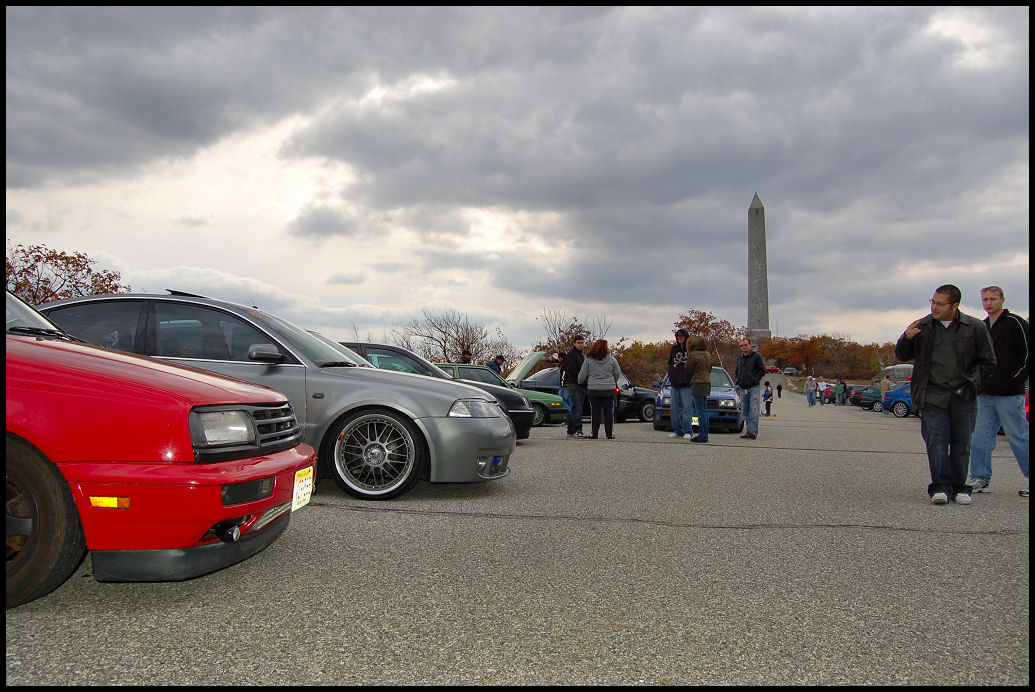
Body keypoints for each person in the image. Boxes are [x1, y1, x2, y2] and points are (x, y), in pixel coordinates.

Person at [895, 284, 996, 505]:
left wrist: (974, 387)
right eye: (932, 302)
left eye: (940, 304)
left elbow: (988, 362)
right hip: (931, 395)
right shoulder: (922, 326)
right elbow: (901, 355)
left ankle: (960, 487)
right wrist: (907, 338)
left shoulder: (975, 327)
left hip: (963, 396)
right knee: (936, 442)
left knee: (961, 443)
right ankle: (940, 487)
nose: (934, 307)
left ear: (954, 305)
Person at [968, 286, 1029, 497]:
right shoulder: (982, 326)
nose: (989, 303)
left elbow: (1027, 355)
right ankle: (980, 477)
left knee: (1019, 436)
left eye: (993, 299)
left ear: (1002, 299)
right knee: (979, 437)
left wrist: (1015, 379)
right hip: (985, 394)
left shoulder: (1015, 323)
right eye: (985, 299)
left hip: (1010, 393)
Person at [577, 339, 623, 439]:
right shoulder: (612, 360)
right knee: (608, 412)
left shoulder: (588, 360)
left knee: (595, 412)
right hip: (609, 389)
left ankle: (594, 434)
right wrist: (612, 381)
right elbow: (617, 373)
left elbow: (582, 374)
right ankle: (609, 434)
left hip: (593, 389)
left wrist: (580, 382)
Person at [735, 337, 766, 439]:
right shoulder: (739, 358)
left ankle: (753, 431)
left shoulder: (757, 356)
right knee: (745, 410)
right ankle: (749, 431)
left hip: (754, 387)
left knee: (754, 409)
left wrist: (755, 379)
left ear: (750, 345)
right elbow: (737, 371)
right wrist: (738, 382)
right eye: (742, 345)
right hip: (743, 388)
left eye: (745, 345)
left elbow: (762, 370)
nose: (744, 347)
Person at [667, 329, 693, 440]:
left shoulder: (691, 350)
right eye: (678, 336)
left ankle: (688, 431)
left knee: (687, 408)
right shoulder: (674, 349)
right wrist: (671, 376)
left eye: (682, 336)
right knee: (674, 408)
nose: (680, 338)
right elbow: (670, 364)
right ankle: (677, 430)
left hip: (686, 384)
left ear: (686, 337)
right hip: (675, 384)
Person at [685, 335, 712, 442]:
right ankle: (705, 433)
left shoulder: (692, 355)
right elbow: (709, 368)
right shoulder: (707, 354)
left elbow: (688, 370)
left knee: (700, 411)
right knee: (704, 410)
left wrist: (689, 379)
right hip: (706, 383)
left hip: (697, 383)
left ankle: (702, 435)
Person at [561, 336, 587, 439]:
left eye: (582, 343)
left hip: (581, 385)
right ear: (574, 343)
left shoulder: (581, 356)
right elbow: (572, 370)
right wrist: (583, 378)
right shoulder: (571, 355)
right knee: (576, 408)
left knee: (575, 408)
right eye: (578, 343)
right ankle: (577, 430)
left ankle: (571, 430)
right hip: (574, 384)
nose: (580, 345)